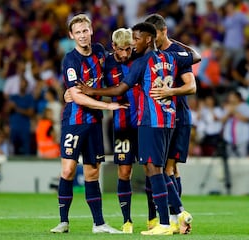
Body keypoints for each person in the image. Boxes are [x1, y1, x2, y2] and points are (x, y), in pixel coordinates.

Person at [77, 22, 197, 235]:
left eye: (136, 39)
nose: (132, 44)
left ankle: (169, 219)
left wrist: (90, 90)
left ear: (148, 39)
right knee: (158, 169)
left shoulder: (141, 62)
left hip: (149, 121)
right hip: (168, 120)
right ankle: (175, 214)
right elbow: (193, 56)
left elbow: (120, 88)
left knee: (154, 170)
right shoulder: (171, 58)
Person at [50, 14, 125, 234]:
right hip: (74, 121)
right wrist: (109, 106)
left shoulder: (101, 52)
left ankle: (99, 224)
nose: (82, 35)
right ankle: (63, 221)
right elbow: (77, 97)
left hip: (94, 123)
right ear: (71, 36)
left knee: (92, 173)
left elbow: (115, 70)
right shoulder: (70, 60)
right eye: (78, 32)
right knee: (68, 169)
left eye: (85, 30)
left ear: (91, 31)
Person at [144, 13, 199, 233]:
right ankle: (176, 219)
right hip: (163, 117)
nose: (149, 39)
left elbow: (192, 85)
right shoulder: (153, 54)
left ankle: (178, 215)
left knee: (167, 168)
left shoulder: (177, 55)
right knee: (170, 169)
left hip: (178, 116)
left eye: (153, 35)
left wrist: (170, 91)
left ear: (164, 31)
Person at [103, 28, 140, 233]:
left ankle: (154, 219)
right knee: (124, 171)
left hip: (144, 121)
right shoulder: (107, 63)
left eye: (129, 49)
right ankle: (127, 221)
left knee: (153, 169)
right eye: (121, 50)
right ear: (113, 47)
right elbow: (100, 88)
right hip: (122, 124)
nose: (125, 54)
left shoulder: (141, 57)